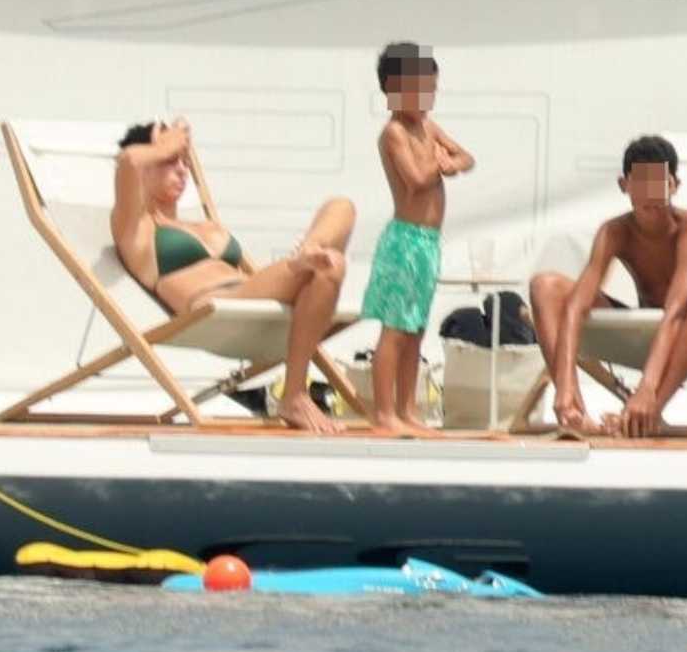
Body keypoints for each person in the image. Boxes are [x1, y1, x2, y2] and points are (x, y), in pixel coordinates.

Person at [112, 118, 355, 433]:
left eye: (185, 162)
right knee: (330, 264)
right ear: (147, 165)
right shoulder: (137, 228)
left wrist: (294, 272)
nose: (183, 170)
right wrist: (166, 144)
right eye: (170, 161)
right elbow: (127, 161)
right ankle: (294, 394)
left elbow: (256, 277)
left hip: (253, 293)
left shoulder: (207, 226)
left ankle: (309, 252)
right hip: (217, 303)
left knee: (341, 209)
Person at [530, 135, 687, 438]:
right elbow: (577, 305)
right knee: (544, 286)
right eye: (642, 183)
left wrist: (647, 390)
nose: (651, 194)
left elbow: (677, 310)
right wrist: (564, 384)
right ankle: (573, 411)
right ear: (623, 185)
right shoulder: (615, 232)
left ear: (674, 186)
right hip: (652, 329)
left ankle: (648, 412)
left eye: (660, 183)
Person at [364, 41, 476, 437]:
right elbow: (414, 180)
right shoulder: (394, 133)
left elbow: (467, 157)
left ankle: (408, 409)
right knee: (394, 330)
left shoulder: (428, 128)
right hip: (405, 243)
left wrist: (452, 161)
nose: (428, 98)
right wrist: (441, 163)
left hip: (428, 243)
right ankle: (383, 414)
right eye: (420, 89)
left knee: (415, 329)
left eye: (432, 88)